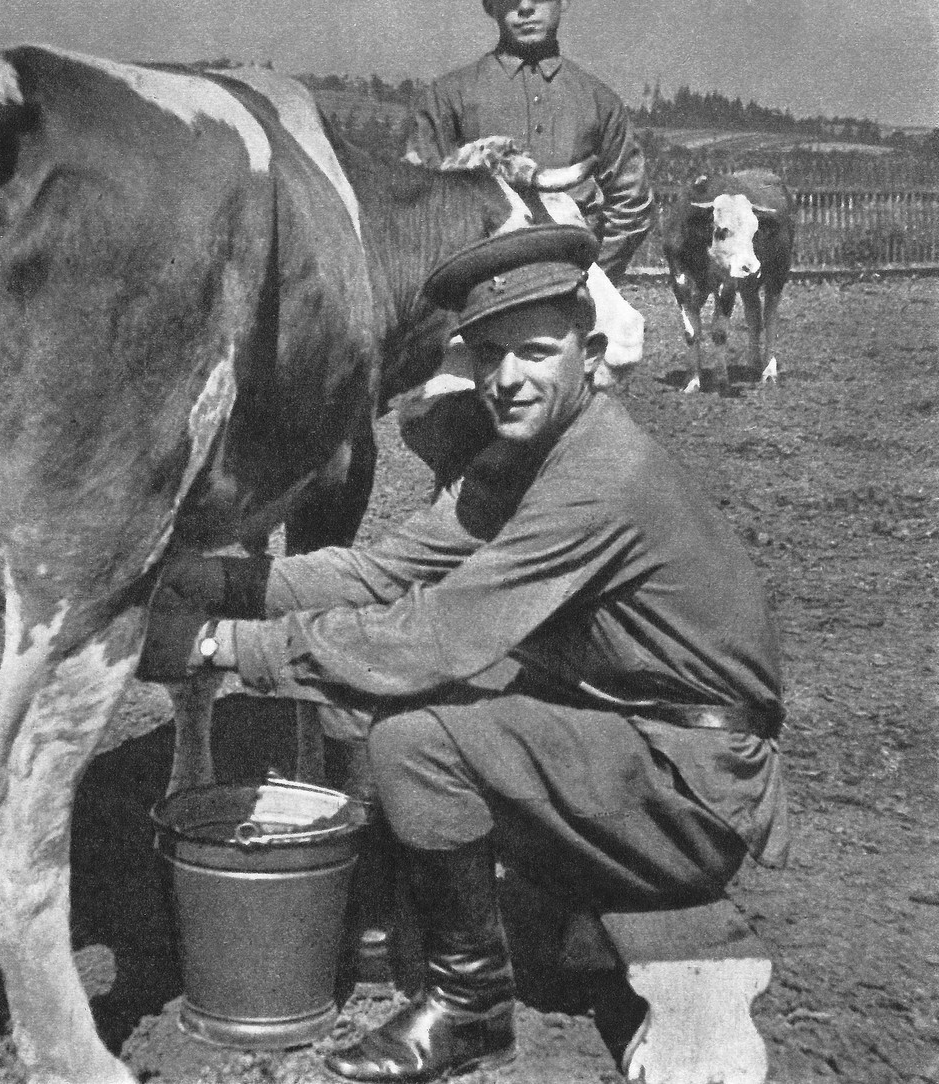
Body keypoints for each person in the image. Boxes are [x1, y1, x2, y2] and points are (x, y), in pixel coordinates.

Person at [139, 222, 788, 1083]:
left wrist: (223, 647)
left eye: (535, 352)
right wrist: (222, 584)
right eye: (487, 355)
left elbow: (430, 636)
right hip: (636, 738)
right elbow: (384, 571)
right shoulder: (526, 457)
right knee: (400, 688)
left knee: (419, 736)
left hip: (695, 789)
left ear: (590, 354)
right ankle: (465, 926)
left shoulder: (601, 477)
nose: (505, 380)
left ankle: (468, 1010)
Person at [406, 0, 653, 279]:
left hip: (576, 292)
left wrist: (591, 278)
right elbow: (417, 206)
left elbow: (632, 205)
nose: (525, 7)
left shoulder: (600, 102)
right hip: (479, 293)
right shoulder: (447, 97)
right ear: (490, 6)